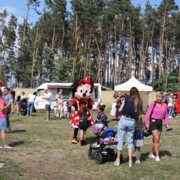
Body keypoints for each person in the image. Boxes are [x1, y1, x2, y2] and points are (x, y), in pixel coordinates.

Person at [114, 87, 142, 167]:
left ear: (131, 92)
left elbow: (120, 109)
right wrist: (137, 125)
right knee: (130, 141)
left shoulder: (126, 98)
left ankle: (118, 159)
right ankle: (130, 161)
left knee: (120, 139)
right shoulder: (139, 102)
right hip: (132, 121)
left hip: (124, 119)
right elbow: (139, 116)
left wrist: (118, 106)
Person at [145, 92, 170, 162]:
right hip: (153, 121)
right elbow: (148, 113)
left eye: (159, 97)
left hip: (160, 123)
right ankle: (157, 156)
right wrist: (147, 123)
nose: (158, 98)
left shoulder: (164, 105)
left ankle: (150, 153)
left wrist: (167, 123)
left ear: (162, 98)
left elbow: (165, 115)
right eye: (157, 97)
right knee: (156, 139)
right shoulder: (153, 104)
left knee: (155, 139)